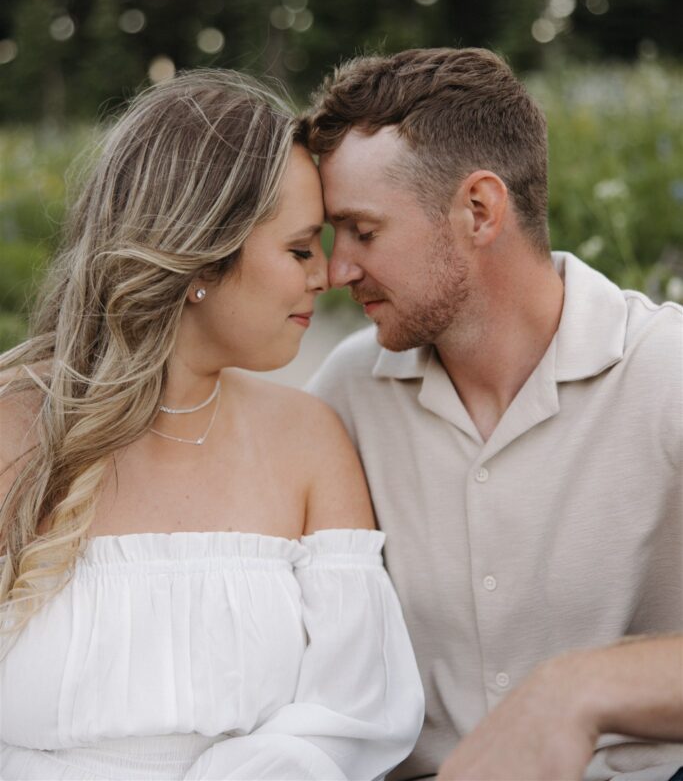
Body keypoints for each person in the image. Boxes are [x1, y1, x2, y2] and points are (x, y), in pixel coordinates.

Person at [0, 69, 424, 781]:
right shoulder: (14, 430)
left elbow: (353, 714)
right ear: (199, 256)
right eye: (297, 249)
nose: (326, 275)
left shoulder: (308, 441)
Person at [301, 47, 683, 781]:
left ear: (478, 211)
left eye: (363, 232)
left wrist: (577, 690)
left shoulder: (665, 369)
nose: (335, 269)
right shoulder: (345, 390)